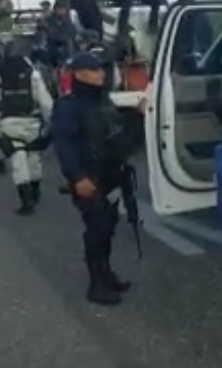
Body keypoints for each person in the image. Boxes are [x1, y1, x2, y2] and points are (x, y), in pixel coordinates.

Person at [51, 51, 143, 306]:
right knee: (96, 229)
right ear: (80, 74)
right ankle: (96, 284)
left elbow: (118, 136)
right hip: (89, 179)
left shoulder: (104, 102)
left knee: (108, 228)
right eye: (95, 70)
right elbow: (64, 145)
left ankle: (106, 274)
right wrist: (77, 177)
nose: (102, 73)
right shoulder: (68, 107)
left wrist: (136, 116)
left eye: (102, 69)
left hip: (112, 175)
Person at [0, 39, 54, 216]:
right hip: (32, 122)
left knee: (18, 161)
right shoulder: (33, 74)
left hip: (9, 124)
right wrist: (50, 126)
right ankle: (36, 191)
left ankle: (26, 201)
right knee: (34, 157)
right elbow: (46, 103)